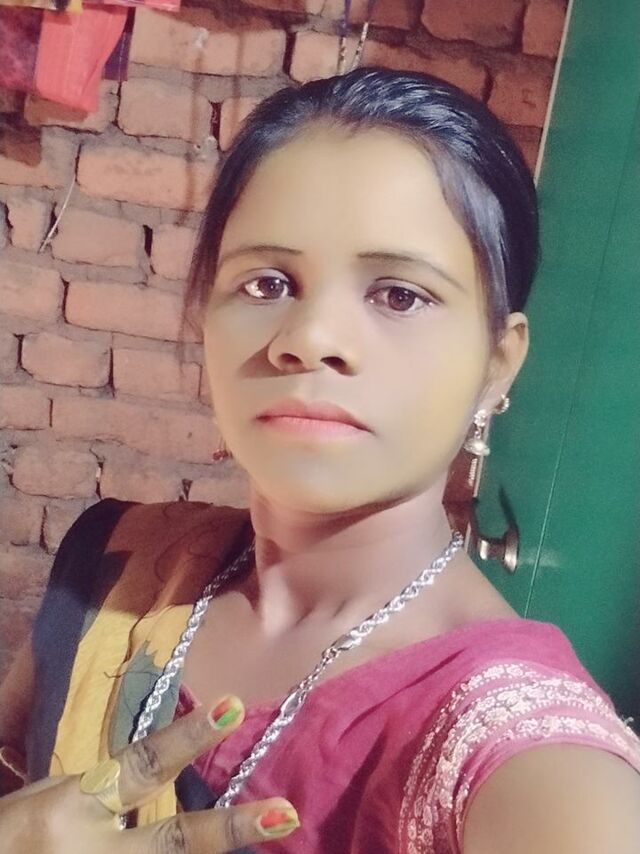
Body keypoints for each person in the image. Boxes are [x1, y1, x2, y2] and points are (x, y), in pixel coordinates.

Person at [1, 65, 640, 853]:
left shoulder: (521, 759)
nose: (309, 338)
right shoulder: (115, 569)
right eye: (267, 283)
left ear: (498, 363)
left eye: (400, 295)